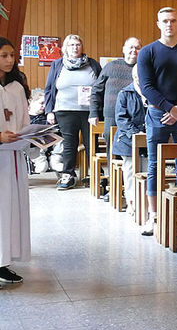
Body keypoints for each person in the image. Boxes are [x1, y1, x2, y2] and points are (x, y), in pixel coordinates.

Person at [135, 7, 177, 236]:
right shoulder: (148, 52)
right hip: (156, 114)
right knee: (154, 165)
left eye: (173, 20)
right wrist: (169, 108)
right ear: (158, 24)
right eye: (165, 21)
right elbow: (147, 87)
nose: (169, 24)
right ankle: (153, 216)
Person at [43, 34, 102, 190]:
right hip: (64, 110)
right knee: (69, 144)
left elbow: (102, 87)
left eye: (77, 44)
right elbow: (49, 89)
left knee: (92, 144)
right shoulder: (57, 65)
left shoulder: (93, 64)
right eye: (71, 45)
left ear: (82, 47)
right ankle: (68, 175)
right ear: (65, 48)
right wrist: (49, 111)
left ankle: (98, 175)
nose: (75, 47)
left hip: (89, 112)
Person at [90, 37, 141, 197]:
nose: (134, 50)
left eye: (137, 48)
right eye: (131, 47)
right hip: (111, 116)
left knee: (134, 155)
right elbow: (96, 90)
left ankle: (134, 191)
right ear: (124, 49)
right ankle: (114, 190)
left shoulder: (143, 68)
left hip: (136, 119)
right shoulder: (111, 67)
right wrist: (93, 113)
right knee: (113, 153)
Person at [0, 37, 30, 286]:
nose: (10, 60)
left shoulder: (17, 87)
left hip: (13, 156)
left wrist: (32, 135)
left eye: (12, 55)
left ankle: (4, 261)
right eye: (3, 55)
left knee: (10, 210)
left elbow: (25, 121)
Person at [113, 66, 147, 217]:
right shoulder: (125, 93)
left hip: (147, 139)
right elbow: (121, 119)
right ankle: (132, 203)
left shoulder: (152, 92)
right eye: (138, 75)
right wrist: (136, 134)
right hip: (127, 139)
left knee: (146, 171)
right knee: (131, 169)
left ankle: (145, 204)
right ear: (134, 76)